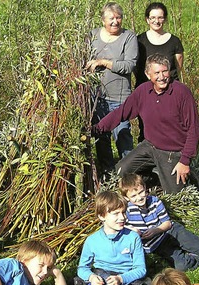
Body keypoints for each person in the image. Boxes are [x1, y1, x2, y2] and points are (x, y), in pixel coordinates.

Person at [45, 191, 167, 285]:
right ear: (102, 216)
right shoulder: (92, 240)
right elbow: (82, 268)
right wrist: (91, 277)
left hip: (128, 282)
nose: (122, 217)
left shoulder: (133, 237)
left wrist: (121, 278)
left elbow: (140, 269)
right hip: (104, 278)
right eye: (116, 214)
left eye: (123, 212)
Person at [94, 53, 199, 194]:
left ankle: (190, 179)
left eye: (165, 71)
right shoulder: (143, 91)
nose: (162, 77)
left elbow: (194, 129)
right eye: (157, 73)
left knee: (176, 195)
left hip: (172, 152)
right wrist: (97, 129)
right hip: (149, 146)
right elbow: (121, 112)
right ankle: (155, 178)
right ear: (147, 74)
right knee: (120, 172)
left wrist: (185, 161)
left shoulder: (181, 93)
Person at [87, 2, 138, 175]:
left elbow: (129, 65)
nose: (115, 21)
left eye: (118, 17)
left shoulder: (128, 37)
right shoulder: (92, 36)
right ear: (103, 20)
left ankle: (129, 175)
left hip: (120, 97)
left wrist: (103, 62)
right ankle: (108, 173)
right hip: (97, 97)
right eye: (111, 18)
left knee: (122, 135)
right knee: (101, 137)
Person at [134, 2, 184, 89]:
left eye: (160, 17)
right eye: (152, 17)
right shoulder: (139, 41)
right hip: (145, 89)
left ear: (165, 19)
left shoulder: (174, 41)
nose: (156, 21)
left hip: (169, 89)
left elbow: (178, 67)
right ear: (147, 19)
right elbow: (135, 67)